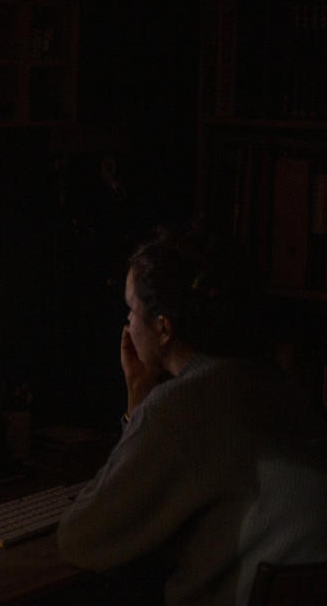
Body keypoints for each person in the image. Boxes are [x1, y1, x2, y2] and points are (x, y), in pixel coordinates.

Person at [56, 224, 327, 605]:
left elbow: (80, 540)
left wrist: (142, 409)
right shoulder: (278, 383)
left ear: (163, 327)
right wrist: (139, 398)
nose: (127, 326)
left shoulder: (180, 406)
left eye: (131, 311)